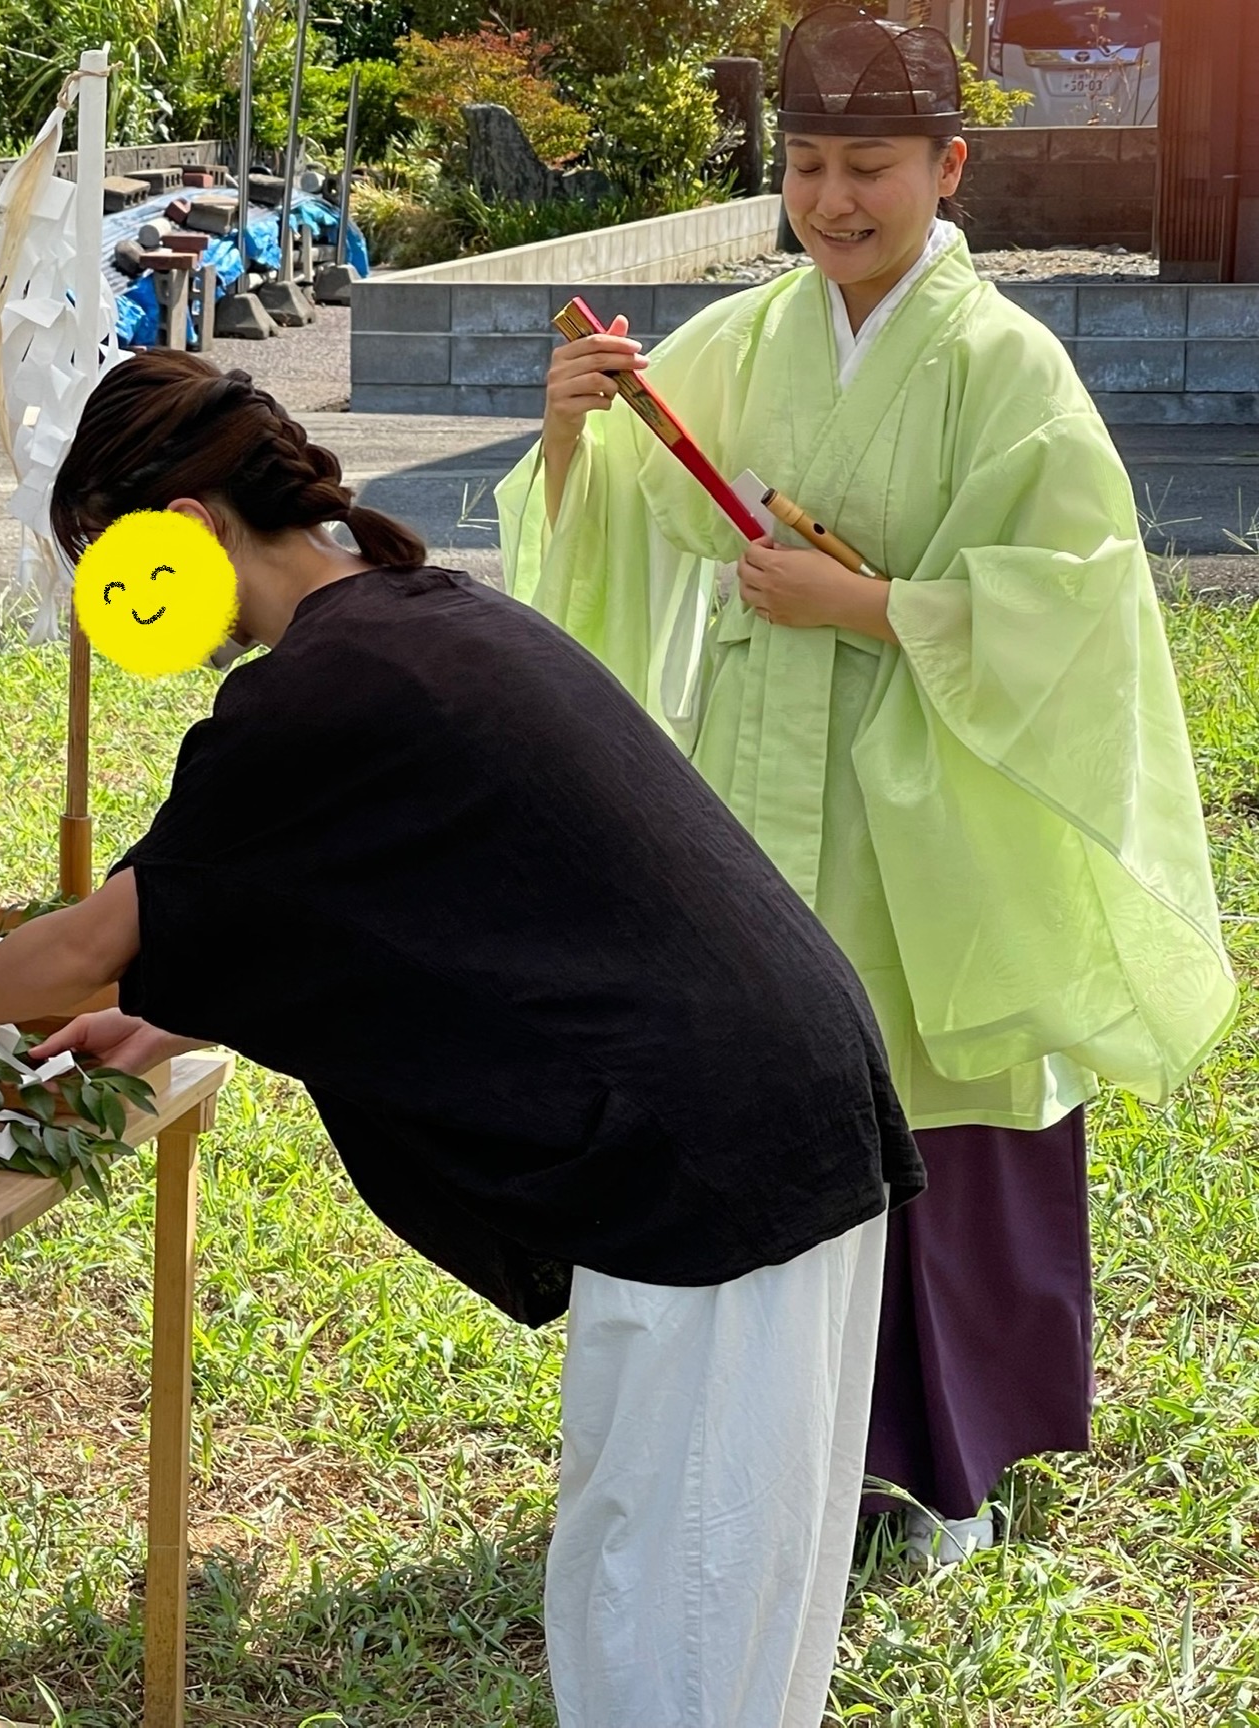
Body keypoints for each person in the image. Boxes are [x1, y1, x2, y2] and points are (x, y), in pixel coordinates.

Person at [0, 345, 924, 1728]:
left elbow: (95, 934)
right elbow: (365, 904)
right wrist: (149, 1009)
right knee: (707, 1598)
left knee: (669, 1618)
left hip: (712, 1151)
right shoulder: (414, 614)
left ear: (196, 533)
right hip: (777, 1103)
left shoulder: (316, 690)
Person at [495, 3, 1235, 1562]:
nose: (838, 200)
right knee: (783, 1118)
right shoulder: (752, 335)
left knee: (938, 1121)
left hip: (929, 803)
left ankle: (947, 1470)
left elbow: (1077, 594)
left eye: (875, 166)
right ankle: (789, 1461)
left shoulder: (1001, 363)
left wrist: (879, 605)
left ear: (948, 167)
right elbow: (628, 504)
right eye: (812, 166)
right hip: (752, 796)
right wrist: (574, 433)